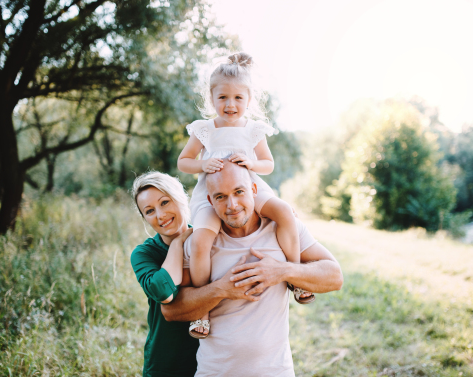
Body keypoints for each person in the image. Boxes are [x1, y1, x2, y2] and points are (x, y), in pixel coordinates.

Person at [162, 160, 344, 377]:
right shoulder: (200, 243)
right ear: (210, 200)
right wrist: (221, 289)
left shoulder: (283, 228)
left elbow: (335, 276)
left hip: (277, 371)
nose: (232, 205)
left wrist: (283, 271)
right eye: (221, 197)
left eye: (239, 192)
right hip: (215, 372)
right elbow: (171, 311)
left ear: (254, 190)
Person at [177, 52, 310, 339]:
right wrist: (202, 164)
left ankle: (296, 275)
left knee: (284, 212)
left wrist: (252, 164)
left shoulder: (253, 130)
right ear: (211, 98)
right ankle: (202, 309)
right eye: (222, 97)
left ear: (249, 100)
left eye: (238, 98)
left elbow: (268, 164)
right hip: (212, 195)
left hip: (250, 187)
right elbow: (183, 161)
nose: (230, 104)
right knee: (201, 240)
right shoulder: (204, 129)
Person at [130, 172, 198, 377]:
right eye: (149, 211)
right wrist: (178, 243)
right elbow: (163, 292)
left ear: (181, 198)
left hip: (212, 359)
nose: (160, 215)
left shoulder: (208, 239)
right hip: (167, 363)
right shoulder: (144, 253)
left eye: (165, 202)